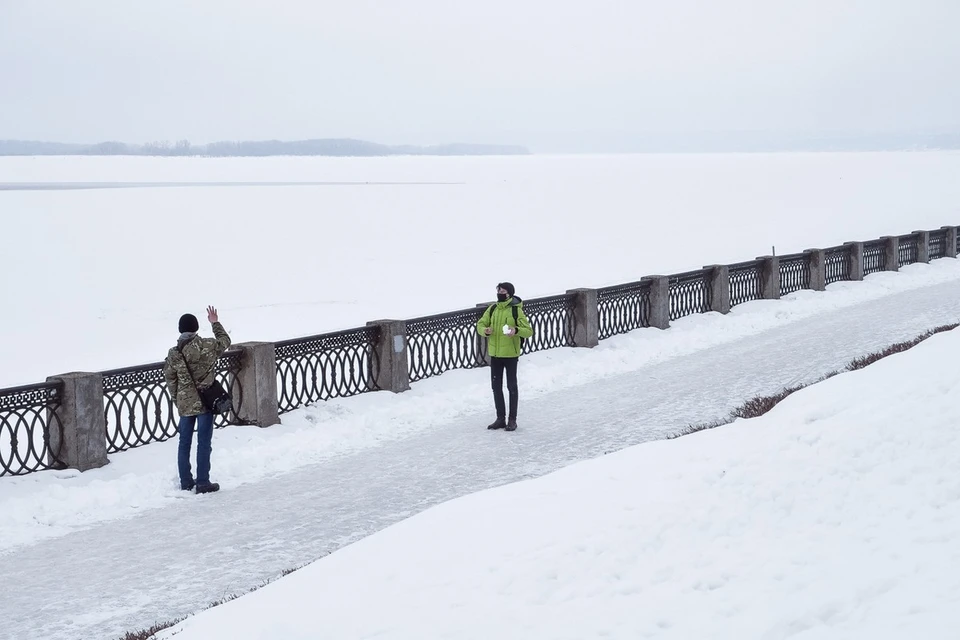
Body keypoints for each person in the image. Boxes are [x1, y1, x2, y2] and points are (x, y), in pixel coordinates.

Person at [163, 305, 231, 493]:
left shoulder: (174, 353)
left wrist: (177, 399)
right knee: (203, 442)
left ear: (180, 329)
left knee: (184, 442)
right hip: (205, 401)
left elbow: (170, 378)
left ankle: (186, 481)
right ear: (196, 328)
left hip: (185, 403)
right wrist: (215, 323)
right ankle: (202, 482)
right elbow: (225, 341)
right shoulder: (207, 345)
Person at [476, 282, 533, 431]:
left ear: (509, 293)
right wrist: (485, 330)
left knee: (511, 386)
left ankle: (512, 419)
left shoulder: (516, 310)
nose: (500, 292)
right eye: (498, 290)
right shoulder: (493, 308)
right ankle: (500, 418)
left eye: (502, 290)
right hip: (495, 354)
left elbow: (528, 331)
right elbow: (480, 324)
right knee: (496, 386)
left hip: (510, 355)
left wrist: (516, 330)